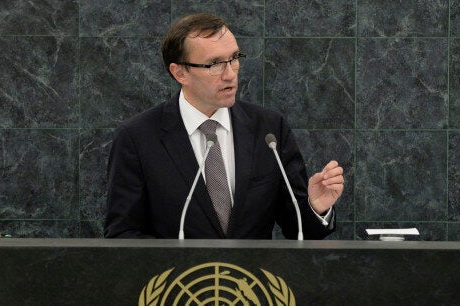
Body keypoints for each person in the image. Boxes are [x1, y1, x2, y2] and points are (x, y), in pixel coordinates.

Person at [104, 13, 344, 239]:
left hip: (250, 282)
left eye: (234, 59)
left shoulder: (268, 130)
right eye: (214, 64)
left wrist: (315, 208)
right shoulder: (138, 137)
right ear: (180, 73)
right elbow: (123, 234)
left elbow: (297, 230)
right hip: (180, 282)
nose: (230, 74)